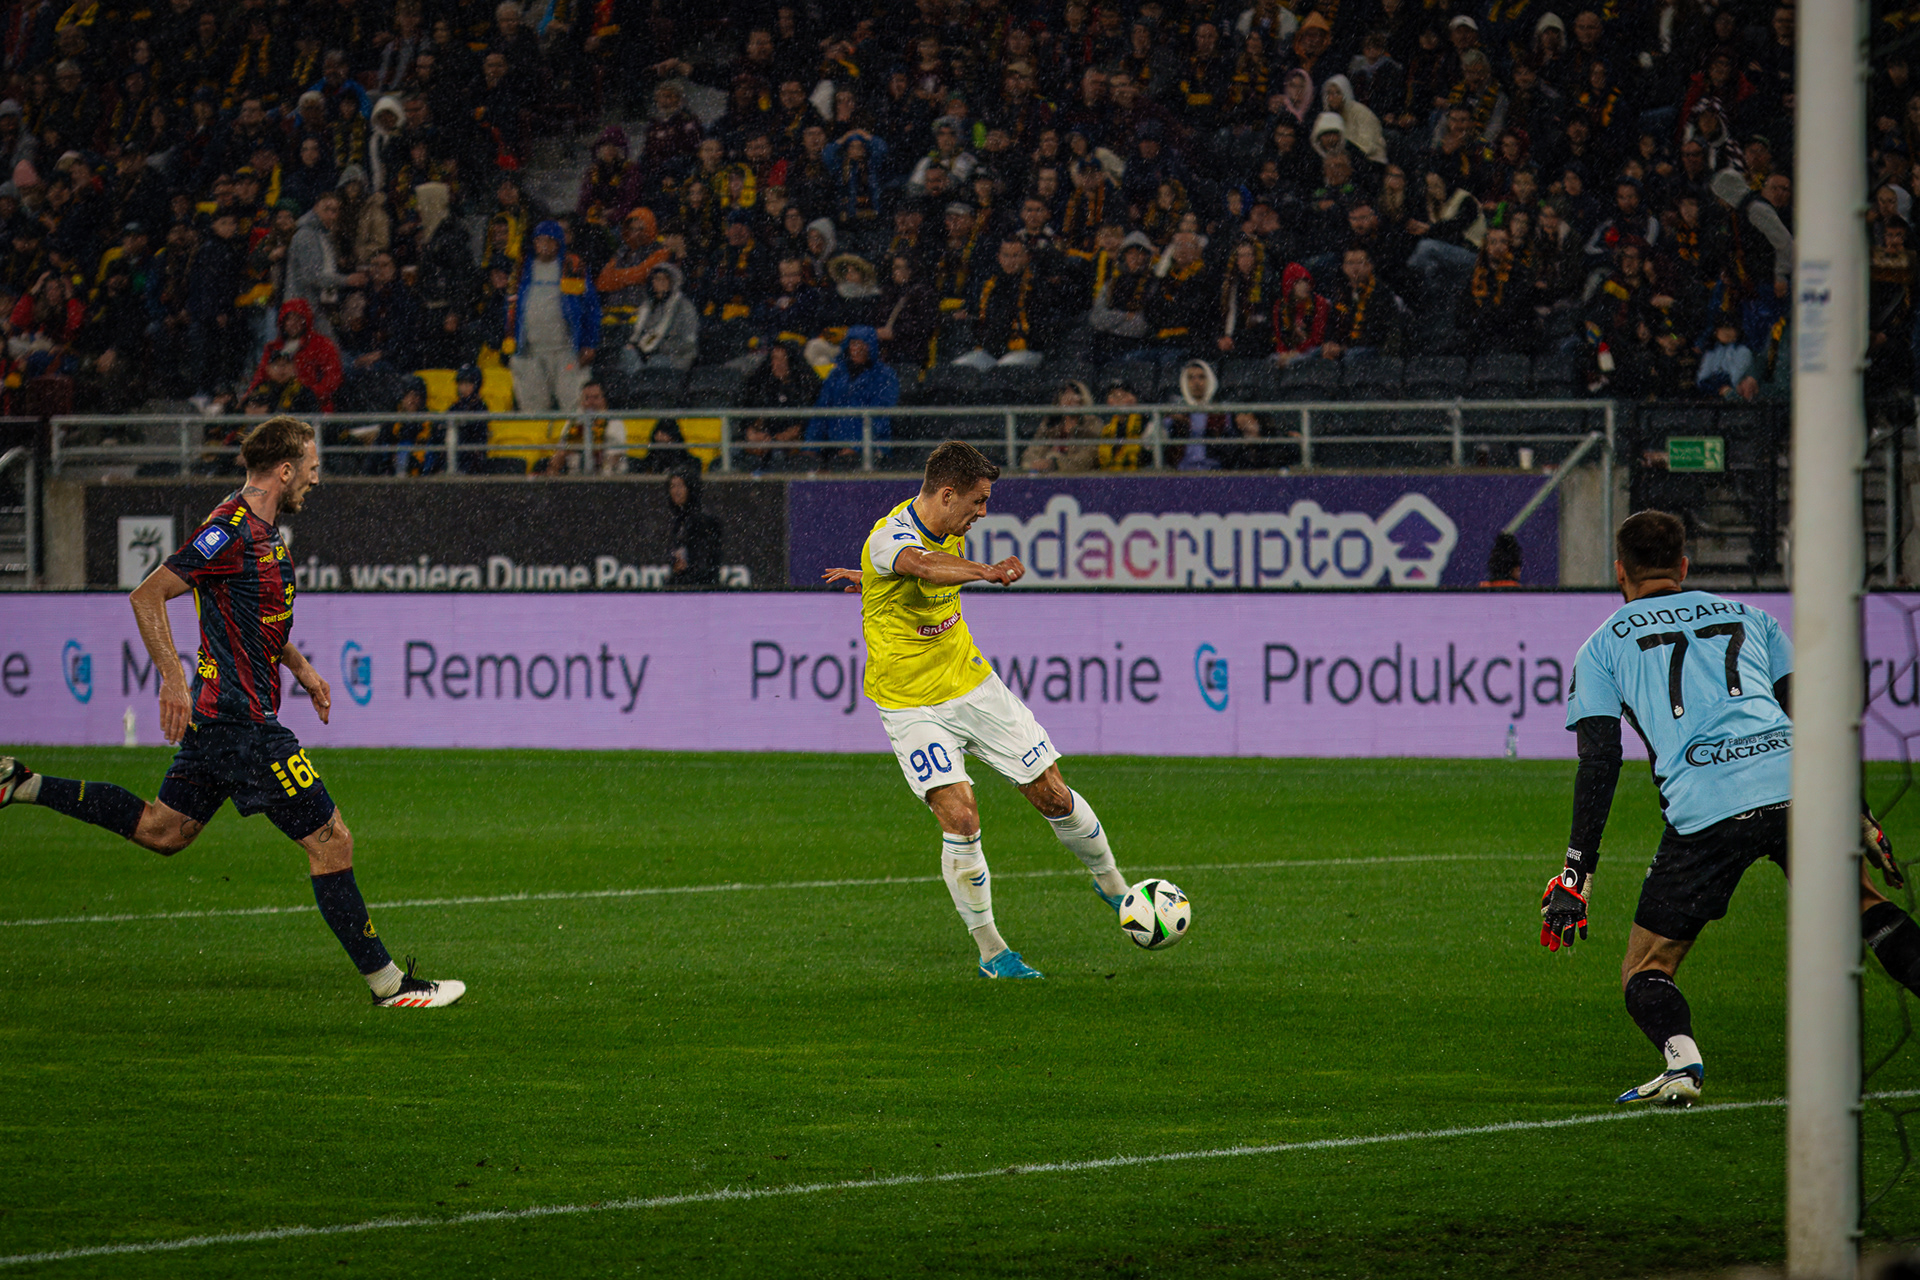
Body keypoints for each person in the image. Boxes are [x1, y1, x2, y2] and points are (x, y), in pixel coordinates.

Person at [0, 416, 462, 1009]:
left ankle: (22, 783)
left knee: (162, 831)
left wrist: (301, 667)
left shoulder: (260, 531)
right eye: (312, 468)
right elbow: (147, 595)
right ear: (285, 470)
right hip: (243, 724)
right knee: (333, 842)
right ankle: (390, 986)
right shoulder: (230, 530)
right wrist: (172, 679)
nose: (316, 479)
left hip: (220, 724)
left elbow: (253, 616)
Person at [1541, 511, 1918, 1105]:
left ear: (1620, 572)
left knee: (1646, 967)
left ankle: (1682, 1064)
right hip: (1799, 787)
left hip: (1708, 806)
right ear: (1684, 565)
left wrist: (1575, 874)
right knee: (1867, 908)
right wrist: (1860, 812)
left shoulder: (1601, 647)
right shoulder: (1752, 616)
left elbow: (1600, 762)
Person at [820, 441, 1137, 979]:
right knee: (961, 816)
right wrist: (987, 572)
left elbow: (917, 567)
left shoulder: (940, 531)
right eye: (978, 500)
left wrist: (870, 578)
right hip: (910, 704)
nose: (983, 512)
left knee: (1052, 794)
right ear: (947, 494)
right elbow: (922, 564)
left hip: (972, 685)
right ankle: (994, 953)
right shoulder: (889, 537)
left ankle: (1114, 887)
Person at [509, 220, 600, 414]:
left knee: (574, 403)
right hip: (530, 351)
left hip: (566, 351)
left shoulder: (573, 267)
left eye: (549, 240)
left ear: (559, 242)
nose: (544, 244)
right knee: (532, 408)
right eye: (539, 240)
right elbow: (510, 307)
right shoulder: (521, 270)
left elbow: (591, 308)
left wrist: (589, 342)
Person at [808, 326, 898, 468]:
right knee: (804, 464)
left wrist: (856, 446)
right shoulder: (837, 374)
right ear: (848, 346)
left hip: (869, 448)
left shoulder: (884, 376)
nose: (858, 349)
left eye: (864, 344)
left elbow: (880, 418)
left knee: (845, 465)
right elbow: (821, 411)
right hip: (833, 446)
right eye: (855, 343)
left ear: (872, 346)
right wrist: (811, 446)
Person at [665, 464, 722, 585]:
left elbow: (706, 563)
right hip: (686, 584)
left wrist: (687, 567)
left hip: (699, 586)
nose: (676, 491)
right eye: (672, 486)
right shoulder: (678, 520)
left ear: (690, 488)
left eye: (680, 485)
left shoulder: (703, 520)